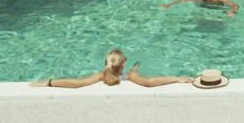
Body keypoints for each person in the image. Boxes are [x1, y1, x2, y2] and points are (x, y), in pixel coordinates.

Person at [30, 49, 193, 88]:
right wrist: (177, 78)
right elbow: (150, 82)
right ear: (123, 65)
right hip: (127, 74)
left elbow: (76, 83)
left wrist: (50, 82)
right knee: (137, 69)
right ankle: (136, 65)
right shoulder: (129, 76)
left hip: (109, 73)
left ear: (105, 63)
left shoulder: (100, 75)